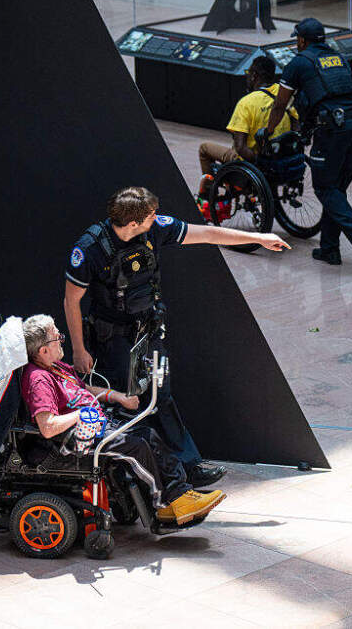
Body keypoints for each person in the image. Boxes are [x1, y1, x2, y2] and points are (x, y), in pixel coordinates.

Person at [64, 187, 290, 488]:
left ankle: (190, 467)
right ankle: (140, 480)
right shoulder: (91, 248)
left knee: (162, 395)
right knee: (129, 404)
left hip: (147, 330)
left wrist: (259, 238)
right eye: (150, 215)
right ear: (133, 223)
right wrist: (79, 349)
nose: (156, 218)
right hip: (113, 338)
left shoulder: (155, 229)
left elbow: (209, 234)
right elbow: (71, 301)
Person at [20, 314, 225, 525]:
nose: (62, 339)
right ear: (43, 350)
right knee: (135, 446)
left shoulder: (57, 367)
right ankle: (167, 502)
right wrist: (80, 415)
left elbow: (85, 389)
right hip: (73, 439)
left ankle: (178, 494)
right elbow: (47, 427)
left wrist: (117, 396)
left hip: (94, 423)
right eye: (57, 337)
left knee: (148, 433)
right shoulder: (38, 380)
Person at [263, 17, 352, 273]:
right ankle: (329, 248)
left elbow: (281, 104)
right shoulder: (337, 58)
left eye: (297, 39)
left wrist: (269, 131)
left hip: (333, 129)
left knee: (326, 188)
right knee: (336, 188)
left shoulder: (299, 63)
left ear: (302, 40)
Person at [196, 56, 299, 208]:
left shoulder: (247, 103)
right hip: (280, 158)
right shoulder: (283, 95)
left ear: (254, 76)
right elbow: (296, 127)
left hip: (256, 162)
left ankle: (208, 198)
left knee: (204, 148)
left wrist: (259, 164)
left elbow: (240, 147)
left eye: (248, 73)